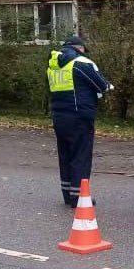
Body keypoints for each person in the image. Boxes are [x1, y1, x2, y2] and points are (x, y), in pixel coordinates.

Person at [47, 36, 113, 207]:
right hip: (79, 116)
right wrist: (107, 86)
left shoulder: (53, 65)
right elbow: (102, 86)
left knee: (65, 155)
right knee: (80, 156)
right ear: (80, 48)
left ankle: (68, 195)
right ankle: (78, 197)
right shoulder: (81, 62)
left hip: (59, 116)